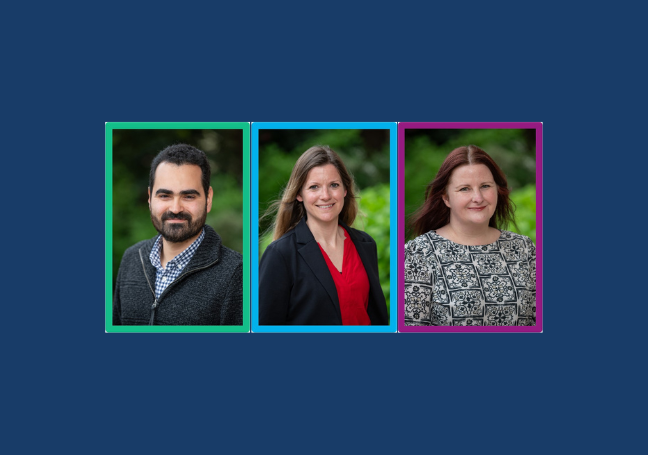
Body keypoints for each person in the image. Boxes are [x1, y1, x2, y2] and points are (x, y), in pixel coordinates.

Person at [405, 145, 536, 326]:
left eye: (485, 186)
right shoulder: (419, 253)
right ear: (446, 198)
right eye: (465, 189)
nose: (478, 197)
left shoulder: (524, 248)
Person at [113, 144, 243, 325]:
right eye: (165, 195)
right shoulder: (132, 258)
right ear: (150, 198)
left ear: (208, 199)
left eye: (189, 196)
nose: (175, 209)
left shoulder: (238, 274)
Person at [259, 145, 388, 325]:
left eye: (334, 185)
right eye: (314, 187)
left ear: (345, 190)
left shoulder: (366, 244)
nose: (325, 195)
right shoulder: (280, 254)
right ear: (299, 194)